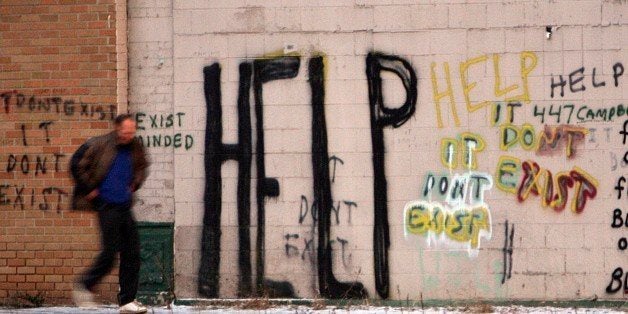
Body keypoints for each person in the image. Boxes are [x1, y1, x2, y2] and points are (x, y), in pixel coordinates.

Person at [70, 113, 149, 314]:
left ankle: (127, 302)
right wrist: (89, 189)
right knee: (110, 253)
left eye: (132, 132)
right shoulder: (100, 143)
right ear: (116, 128)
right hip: (106, 206)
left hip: (124, 205)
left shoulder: (135, 147)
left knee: (132, 253)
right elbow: (75, 164)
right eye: (125, 132)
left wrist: (135, 183)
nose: (128, 136)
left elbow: (142, 167)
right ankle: (84, 285)